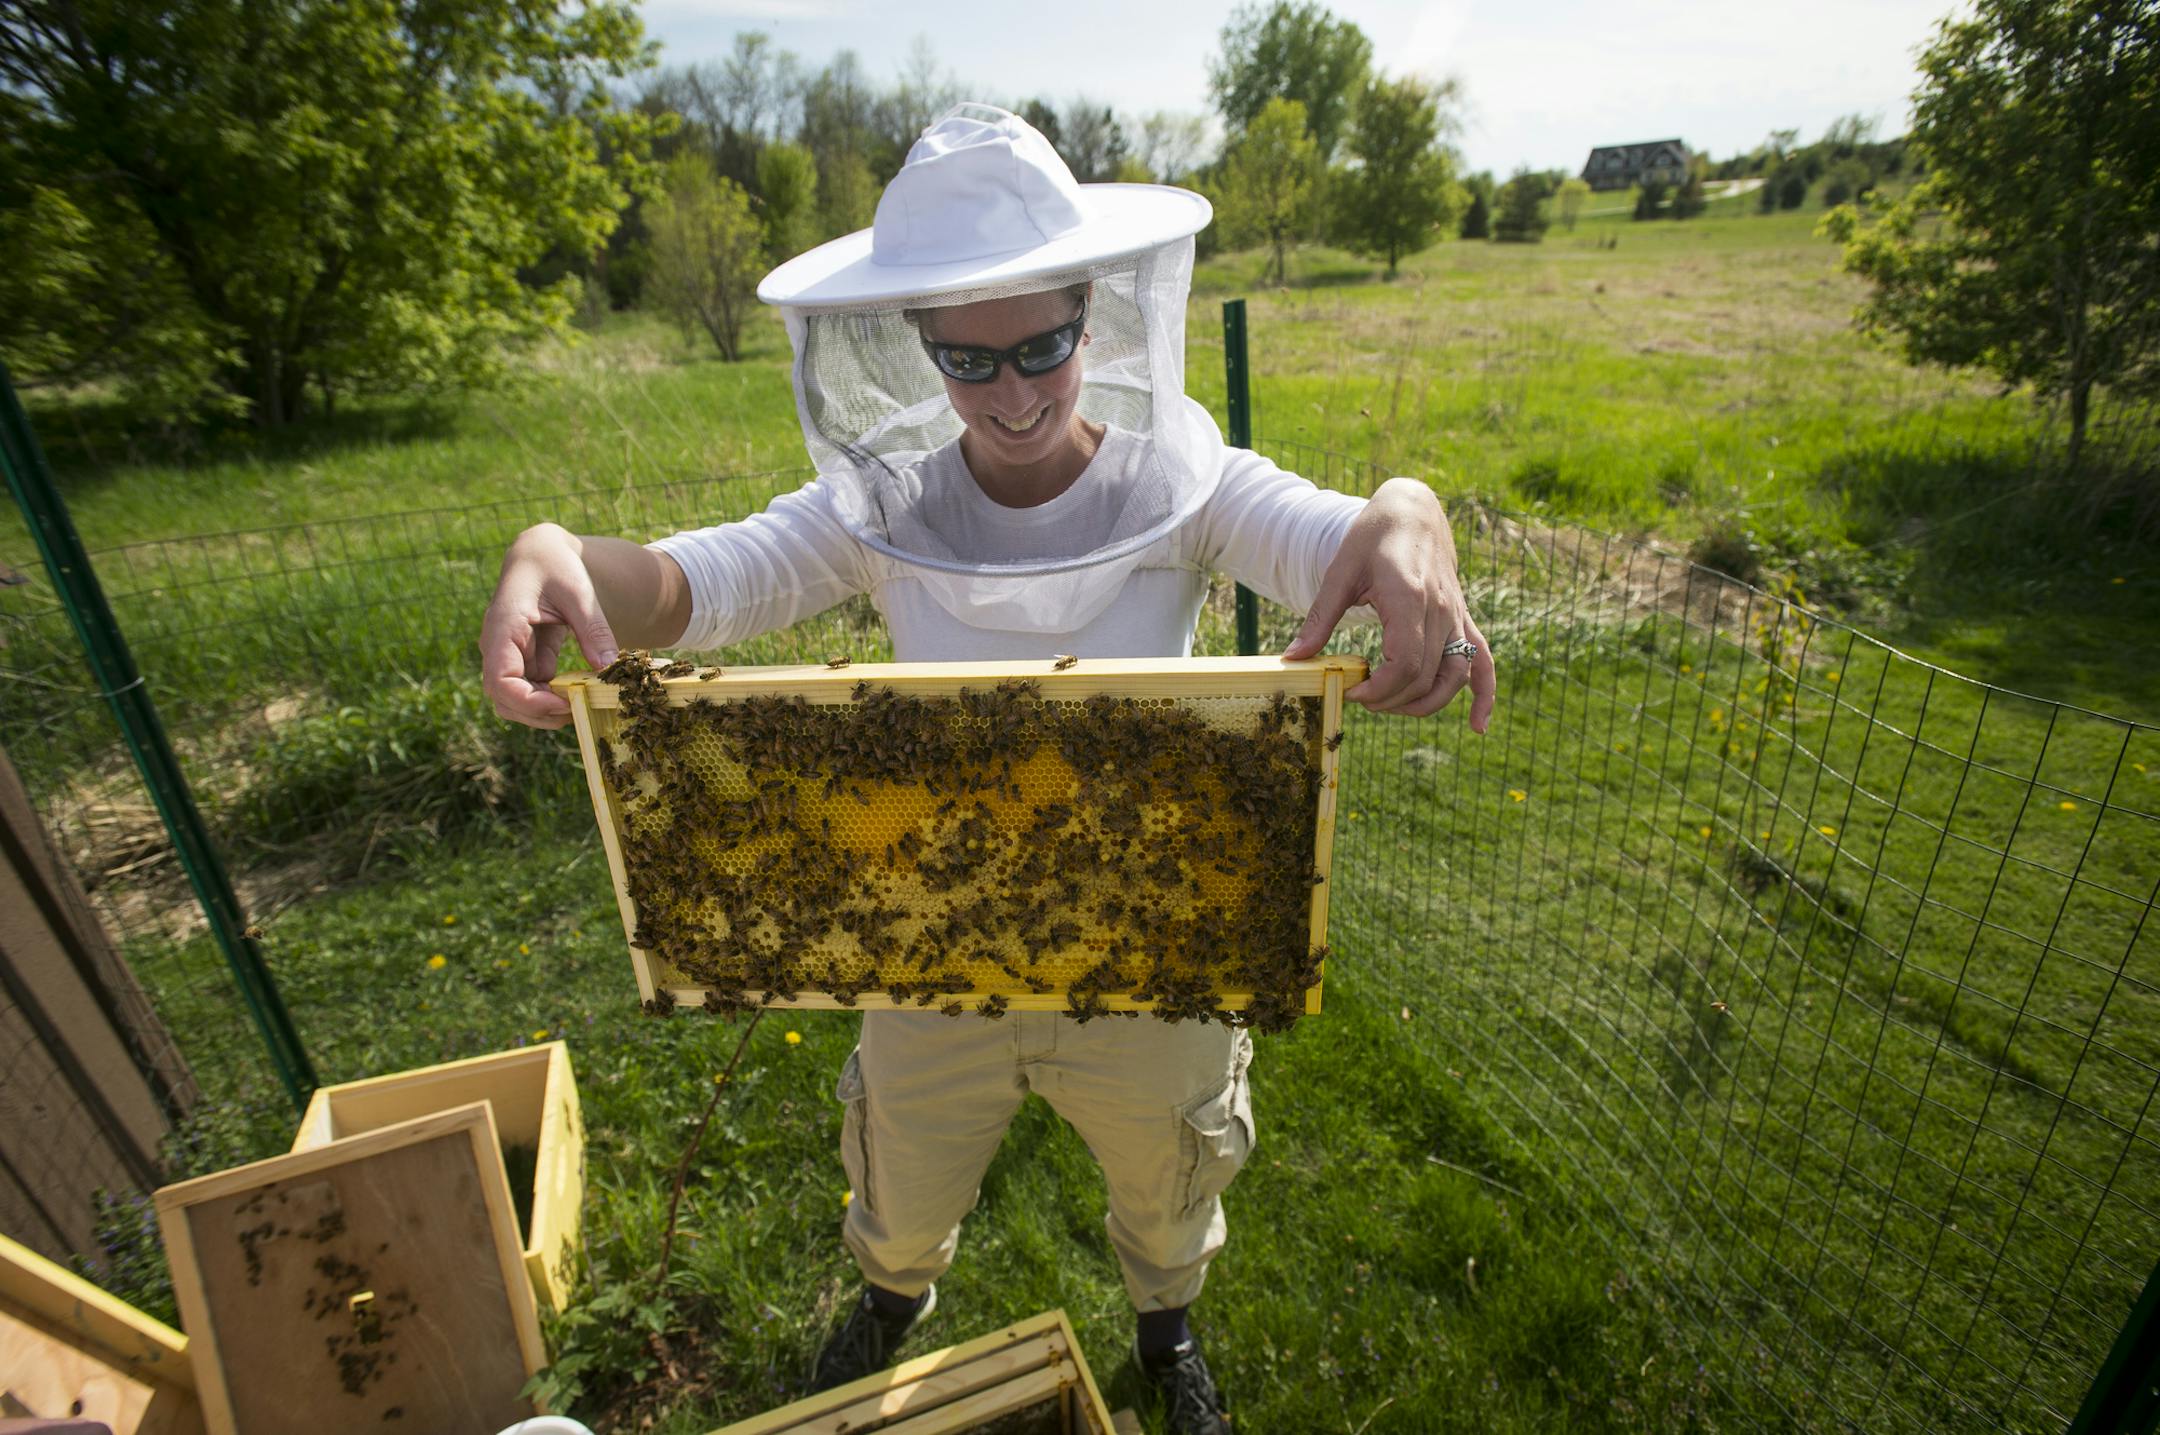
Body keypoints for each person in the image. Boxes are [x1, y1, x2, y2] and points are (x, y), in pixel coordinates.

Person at [481, 104, 1494, 1435]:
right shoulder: (884, 510)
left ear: (1095, 314)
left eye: (1045, 347)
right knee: (904, 1171)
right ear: (918, 350)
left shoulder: (1190, 487)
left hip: (1152, 946)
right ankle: (892, 1296)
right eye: (970, 359)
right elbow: (685, 587)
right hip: (929, 943)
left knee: (1169, 1169)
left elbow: (1341, 537)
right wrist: (557, 546)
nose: (1015, 398)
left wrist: (1412, 508)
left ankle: (1165, 1324)